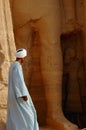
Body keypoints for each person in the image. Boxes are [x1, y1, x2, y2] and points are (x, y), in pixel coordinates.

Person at [6, 48, 39, 130]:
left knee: (17, 116)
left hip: (13, 94)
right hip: (19, 96)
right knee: (29, 116)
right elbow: (19, 81)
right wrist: (23, 94)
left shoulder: (12, 66)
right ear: (22, 58)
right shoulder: (17, 66)